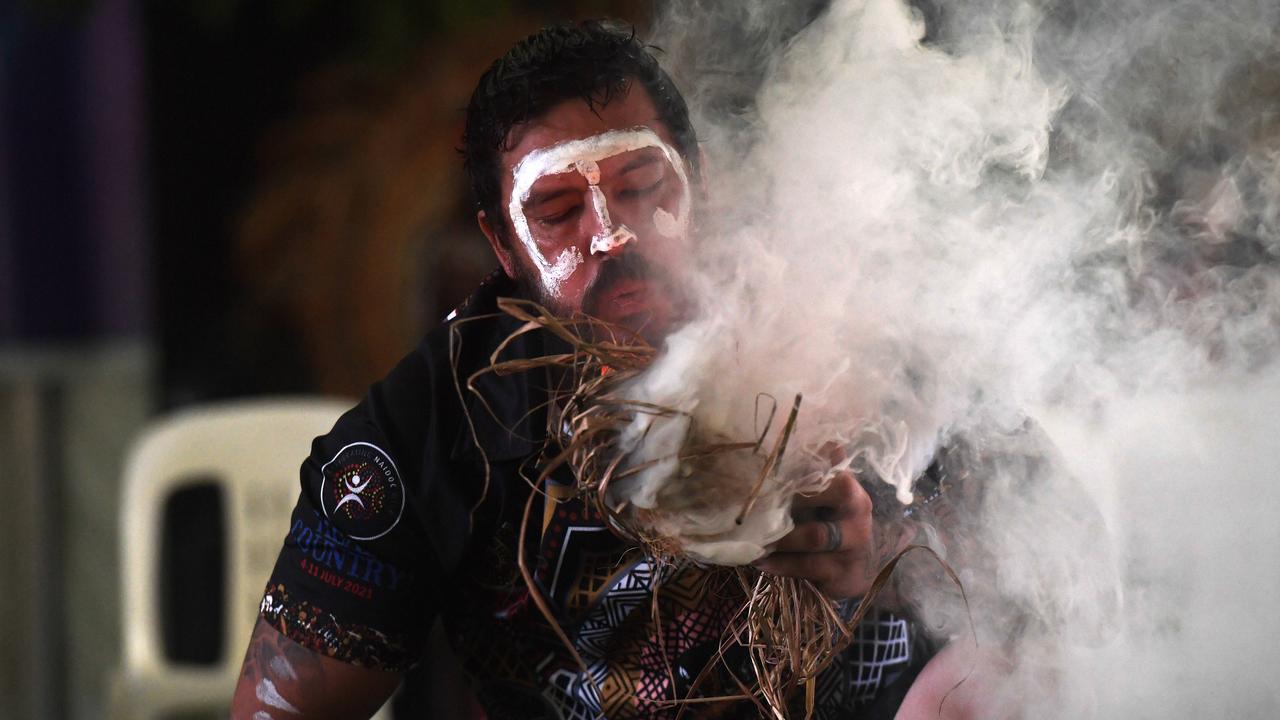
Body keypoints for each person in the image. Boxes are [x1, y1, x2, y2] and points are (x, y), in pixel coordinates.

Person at [231, 20, 1001, 720]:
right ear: (501, 248)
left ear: (700, 180)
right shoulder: (434, 423)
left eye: (641, 187)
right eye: (558, 211)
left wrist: (880, 552)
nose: (609, 234)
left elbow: (1043, 578)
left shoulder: (834, 310)